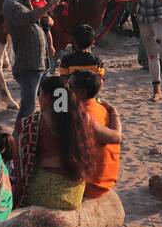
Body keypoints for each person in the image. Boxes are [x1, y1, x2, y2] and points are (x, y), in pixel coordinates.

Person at [12, 75, 104, 210]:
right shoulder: (82, 118)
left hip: (44, 195)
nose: (39, 99)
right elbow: (114, 137)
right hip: (74, 194)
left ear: (48, 98)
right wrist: (114, 115)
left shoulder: (32, 122)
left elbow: (17, 155)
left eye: (41, 95)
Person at [3, 0, 66, 119]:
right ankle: (19, 135)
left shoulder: (21, 3)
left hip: (38, 65)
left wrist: (43, 16)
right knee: (28, 107)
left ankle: (59, 121)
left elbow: (35, 20)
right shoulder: (10, 5)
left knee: (59, 90)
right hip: (28, 66)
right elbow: (27, 18)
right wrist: (51, 5)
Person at [68, 69, 121, 199]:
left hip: (94, 185)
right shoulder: (102, 108)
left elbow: (116, 137)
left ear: (82, 92)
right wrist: (115, 113)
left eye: (70, 87)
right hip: (107, 179)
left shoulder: (83, 116)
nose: (67, 90)